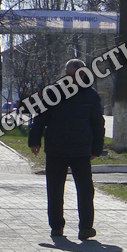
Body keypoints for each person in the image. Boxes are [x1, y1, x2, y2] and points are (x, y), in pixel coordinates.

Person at [28, 59, 105, 240]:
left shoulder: (91, 95)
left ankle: (86, 227)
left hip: (81, 150)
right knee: (55, 190)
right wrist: (34, 141)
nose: (74, 79)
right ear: (65, 73)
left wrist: (97, 148)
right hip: (56, 149)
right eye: (70, 75)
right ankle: (56, 227)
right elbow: (40, 119)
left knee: (86, 190)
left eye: (78, 75)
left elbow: (97, 124)